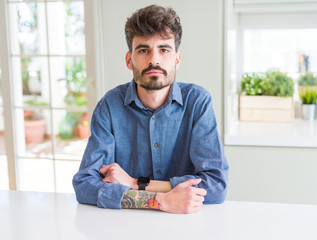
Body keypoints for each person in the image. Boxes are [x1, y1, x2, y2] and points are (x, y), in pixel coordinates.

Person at [73, 4, 228, 214]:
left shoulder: (198, 102)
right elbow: (84, 185)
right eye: (144, 50)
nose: (154, 59)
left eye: (164, 49)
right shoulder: (109, 106)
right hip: (123, 228)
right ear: (129, 60)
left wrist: (136, 183)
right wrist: (159, 200)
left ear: (177, 59)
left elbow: (216, 186)